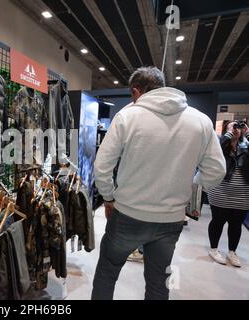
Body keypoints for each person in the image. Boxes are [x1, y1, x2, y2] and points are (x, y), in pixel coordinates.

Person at [92, 66, 226, 300]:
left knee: (107, 273)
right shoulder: (201, 121)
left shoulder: (128, 116)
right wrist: (193, 185)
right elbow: (216, 171)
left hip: (127, 215)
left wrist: (108, 197)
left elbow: (102, 166)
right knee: (158, 283)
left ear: (136, 91)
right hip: (170, 219)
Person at [207, 120, 249, 267]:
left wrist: (247, 134)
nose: (237, 129)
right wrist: (228, 134)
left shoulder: (246, 145)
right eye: (233, 127)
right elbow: (213, 153)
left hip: (243, 194)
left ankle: (232, 252)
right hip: (220, 192)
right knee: (218, 222)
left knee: (236, 225)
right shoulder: (220, 143)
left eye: (239, 127)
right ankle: (213, 249)